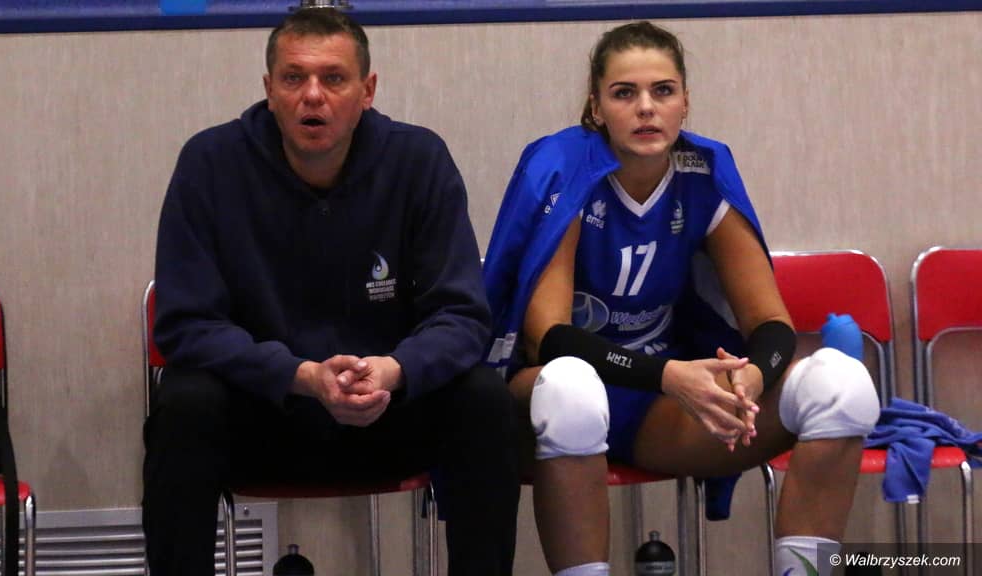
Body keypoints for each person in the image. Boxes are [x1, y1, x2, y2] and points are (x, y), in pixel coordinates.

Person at [483, 21, 880, 576]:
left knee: (842, 386)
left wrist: (752, 378)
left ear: (685, 103)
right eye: (625, 93)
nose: (646, 108)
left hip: (656, 407)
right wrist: (670, 375)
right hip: (549, 398)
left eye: (663, 91)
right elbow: (549, 338)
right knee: (573, 389)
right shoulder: (566, 167)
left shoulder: (702, 171)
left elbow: (771, 323)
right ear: (596, 107)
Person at [142, 8, 519, 576]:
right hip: (265, 414)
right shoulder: (210, 163)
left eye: (334, 78)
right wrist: (301, 376)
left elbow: (463, 315)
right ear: (269, 90)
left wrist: (392, 371)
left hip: (385, 411)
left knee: (484, 400)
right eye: (294, 78)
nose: (312, 96)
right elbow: (185, 325)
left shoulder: (418, 160)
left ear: (367, 90)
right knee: (183, 404)